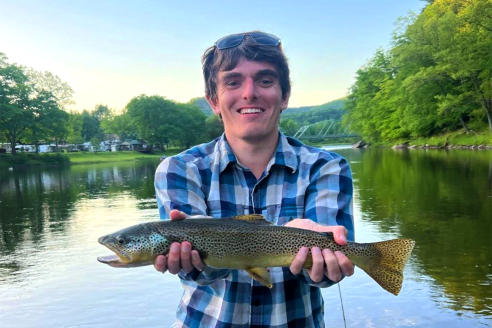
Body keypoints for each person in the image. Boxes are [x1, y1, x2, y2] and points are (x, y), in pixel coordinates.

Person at [154, 31, 354, 328]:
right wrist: (192, 259)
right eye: (233, 82)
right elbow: (198, 273)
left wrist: (322, 260)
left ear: (284, 96)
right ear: (213, 101)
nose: (249, 93)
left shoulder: (326, 167)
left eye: (265, 80)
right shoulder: (179, 169)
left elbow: (327, 275)